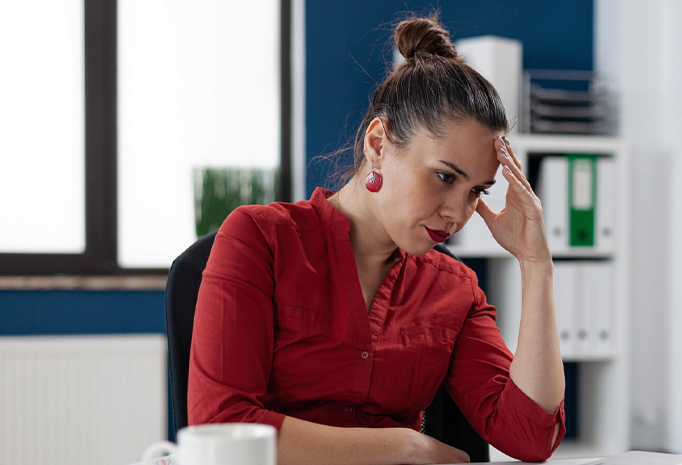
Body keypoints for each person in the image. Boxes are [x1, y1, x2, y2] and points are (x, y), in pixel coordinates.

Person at [188, 14, 566, 465]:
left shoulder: (455, 291)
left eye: (476, 192)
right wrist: (402, 447)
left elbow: (531, 437)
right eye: (445, 177)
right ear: (378, 143)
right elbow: (221, 426)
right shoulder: (259, 239)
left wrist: (535, 263)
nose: (458, 213)